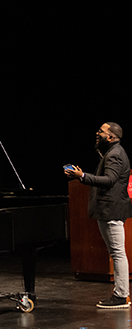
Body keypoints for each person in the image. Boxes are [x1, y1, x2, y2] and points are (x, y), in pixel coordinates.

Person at [65, 122, 132, 309]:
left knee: (118, 253)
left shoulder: (115, 154)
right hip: (110, 209)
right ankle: (121, 294)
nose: (97, 133)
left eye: (101, 132)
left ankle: (121, 296)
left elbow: (109, 180)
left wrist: (82, 176)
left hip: (111, 210)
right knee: (117, 252)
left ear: (111, 137)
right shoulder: (112, 152)